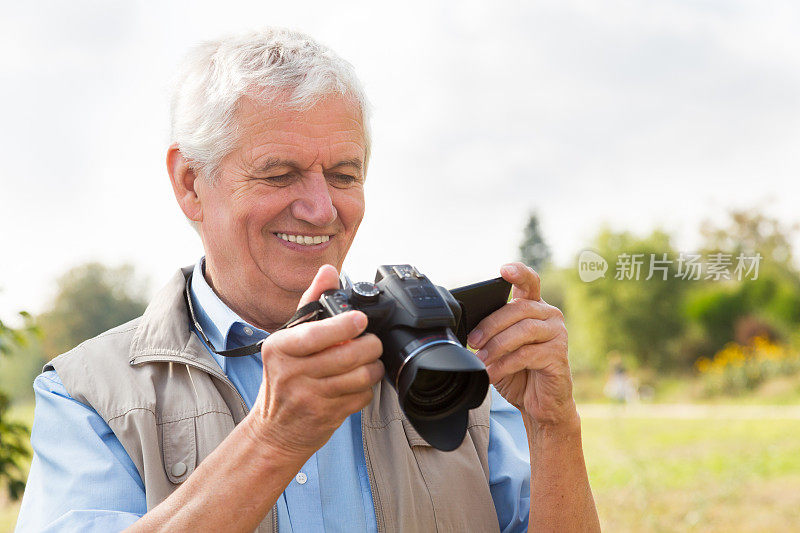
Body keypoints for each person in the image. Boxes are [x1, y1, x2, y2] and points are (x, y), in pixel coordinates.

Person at [15, 28, 600, 532]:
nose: (321, 209)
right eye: (279, 174)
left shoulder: (452, 362)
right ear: (191, 183)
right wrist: (272, 437)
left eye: (344, 175)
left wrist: (554, 428)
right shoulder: (86, 394)